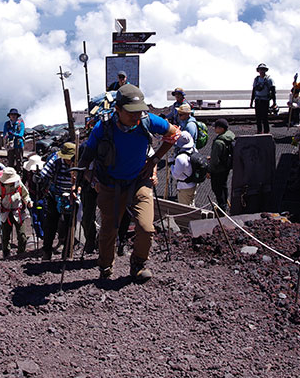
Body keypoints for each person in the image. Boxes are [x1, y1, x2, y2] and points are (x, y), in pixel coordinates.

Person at [78, 83, 179, 282]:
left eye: (139, 111)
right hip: (110, 184)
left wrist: (154, 160)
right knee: (109, 230)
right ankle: (106, 268)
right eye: (131, 112)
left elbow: (174, 134)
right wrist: (85, 179)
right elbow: (87, 155)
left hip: (138, 182)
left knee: (146, 227)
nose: (136, 116)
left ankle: (138, 264)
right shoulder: (103, 127)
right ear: (117, 110)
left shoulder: (148, 121)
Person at [36, 142, 77, 260]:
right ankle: (47, 251)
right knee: (51, 224)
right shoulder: (56, 161)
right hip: (55, 196)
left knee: (70, 224)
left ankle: (67, 252)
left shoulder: (78, 162)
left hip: (72, 197)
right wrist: (39, 178)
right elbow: (45, 173)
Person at [0, 167, 33, 258]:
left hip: (18, 213)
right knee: (5, 237)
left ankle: (21, 253)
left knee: (22, 236)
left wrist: (28, 201)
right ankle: (6, 254)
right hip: (6, 214)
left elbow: (25, 195)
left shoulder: (19, 185)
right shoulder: (0, 189)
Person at [208, 118, 235, 210]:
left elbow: (215, 161)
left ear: (221, 129)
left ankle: (221, 206)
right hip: (226, 167)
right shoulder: (229, 136)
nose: (214, 129)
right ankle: (224, 203)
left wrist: (209, 171)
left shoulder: (218, 142)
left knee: (217, 188)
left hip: (218, 169)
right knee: (224, 186)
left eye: (216, 127)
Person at [170, 132, 198, 207]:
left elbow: (175, 175)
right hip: (193, 183)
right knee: (192, 204)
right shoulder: (194, 150)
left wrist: (171, 165)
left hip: (184, 187)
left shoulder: (180, 158)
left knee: (184, 209)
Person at [251, 63, 277, 134]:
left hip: (265, 100)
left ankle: (266, 132)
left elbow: (273, 91)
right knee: (258, 117)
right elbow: (254, 90)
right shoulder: (256, 79)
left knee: (265, 117)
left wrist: (274, 102)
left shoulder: (269, 79)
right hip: (257, 100)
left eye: (263, 69)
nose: (262, 71)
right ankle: (259, 131)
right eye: (260, 69)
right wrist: (251, 101)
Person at [2, 108, 26, 172]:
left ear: (17, 116)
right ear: (9, 116)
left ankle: (19, 174)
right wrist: (14, 134)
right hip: (10, 145)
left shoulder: (20, 124)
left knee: (19, 161)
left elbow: (21, 134)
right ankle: (10, 174)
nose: (13, 116)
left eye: (14, 114)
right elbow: (5, 134)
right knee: (10, 161)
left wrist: (11, 133)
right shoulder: (7, 124)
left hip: (18, 144)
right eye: (12, 114)